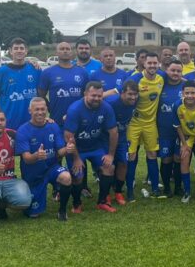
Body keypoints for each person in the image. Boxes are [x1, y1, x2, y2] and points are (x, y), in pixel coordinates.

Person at [16, 97, 76, 221]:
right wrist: (36, 156)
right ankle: (32, 198)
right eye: (36, 109)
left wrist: (68, 149)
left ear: (47, 110)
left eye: (43, 109)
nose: (40, 112)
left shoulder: (53, 126)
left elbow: (60, 151)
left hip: (51, 167)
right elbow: (26, 158)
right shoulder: (23, 130)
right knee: (33, 214)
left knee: (66, 177)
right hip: (33, 173)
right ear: (30, 111)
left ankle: (62, 211)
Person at [63, 82, 119, 211]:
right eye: (93, 95)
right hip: (78, 149)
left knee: (109, 167)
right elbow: (68, 136)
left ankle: (102, 201)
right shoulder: (75, 109)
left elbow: (114, 132)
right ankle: (77, 203)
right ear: (85, 94)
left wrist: (110, 155)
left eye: (99, 96)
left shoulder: (106, 108)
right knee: (78, 175)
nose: (97, 98)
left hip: (95, 147)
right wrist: (76, 158)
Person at [126, 53, 165, 199]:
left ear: (158, 63)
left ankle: (155, 188)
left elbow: (178, 79)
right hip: (134, 123)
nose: (153, 66)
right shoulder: (135, 79)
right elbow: (121, 94)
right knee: (131, 155)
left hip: (150, 124)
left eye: (155, 63)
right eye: (150, 63)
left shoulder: (162, 77)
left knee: (152, 154)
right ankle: (129, 190)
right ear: (144, 64)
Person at [0, 37, 41, 132]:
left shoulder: (35, 69)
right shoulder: (2, 71)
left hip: (32, 122)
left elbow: (41, 94)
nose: (19, 51)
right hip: (9, 124)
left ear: (26, 51)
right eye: (16, 48)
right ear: (10, 51)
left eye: (22, 48)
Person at [38, 42, 89, 126]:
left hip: (79, 119)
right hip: (57, 120)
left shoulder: (82, 72)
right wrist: (50, 108)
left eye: (67, 49)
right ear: (56, 52)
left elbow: (87, 95)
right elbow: (41, 95)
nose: (65, 51)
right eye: (62, 49)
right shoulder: (48, 72)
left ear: (71, 52)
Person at [106, 80, 139, 204]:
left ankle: (118, 191)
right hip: (107, 138)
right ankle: (106, 193)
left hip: (122, 138)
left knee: (123, 163)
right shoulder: (111, 103)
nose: (133, 97)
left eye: (135, 94)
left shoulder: (136, 101)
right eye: (130, 94)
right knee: (108, 165)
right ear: (122, 93)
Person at [157, 60, 185, 197]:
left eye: (178, 71)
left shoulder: (186, 86)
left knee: (178, 158)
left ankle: (178, 187)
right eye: (173, 70)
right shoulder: (160, 85)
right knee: (166, 159)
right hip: (164, 131)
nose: (175, 73)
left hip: (181, 132)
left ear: (182, 72)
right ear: (167, 71)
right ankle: (167, 187)